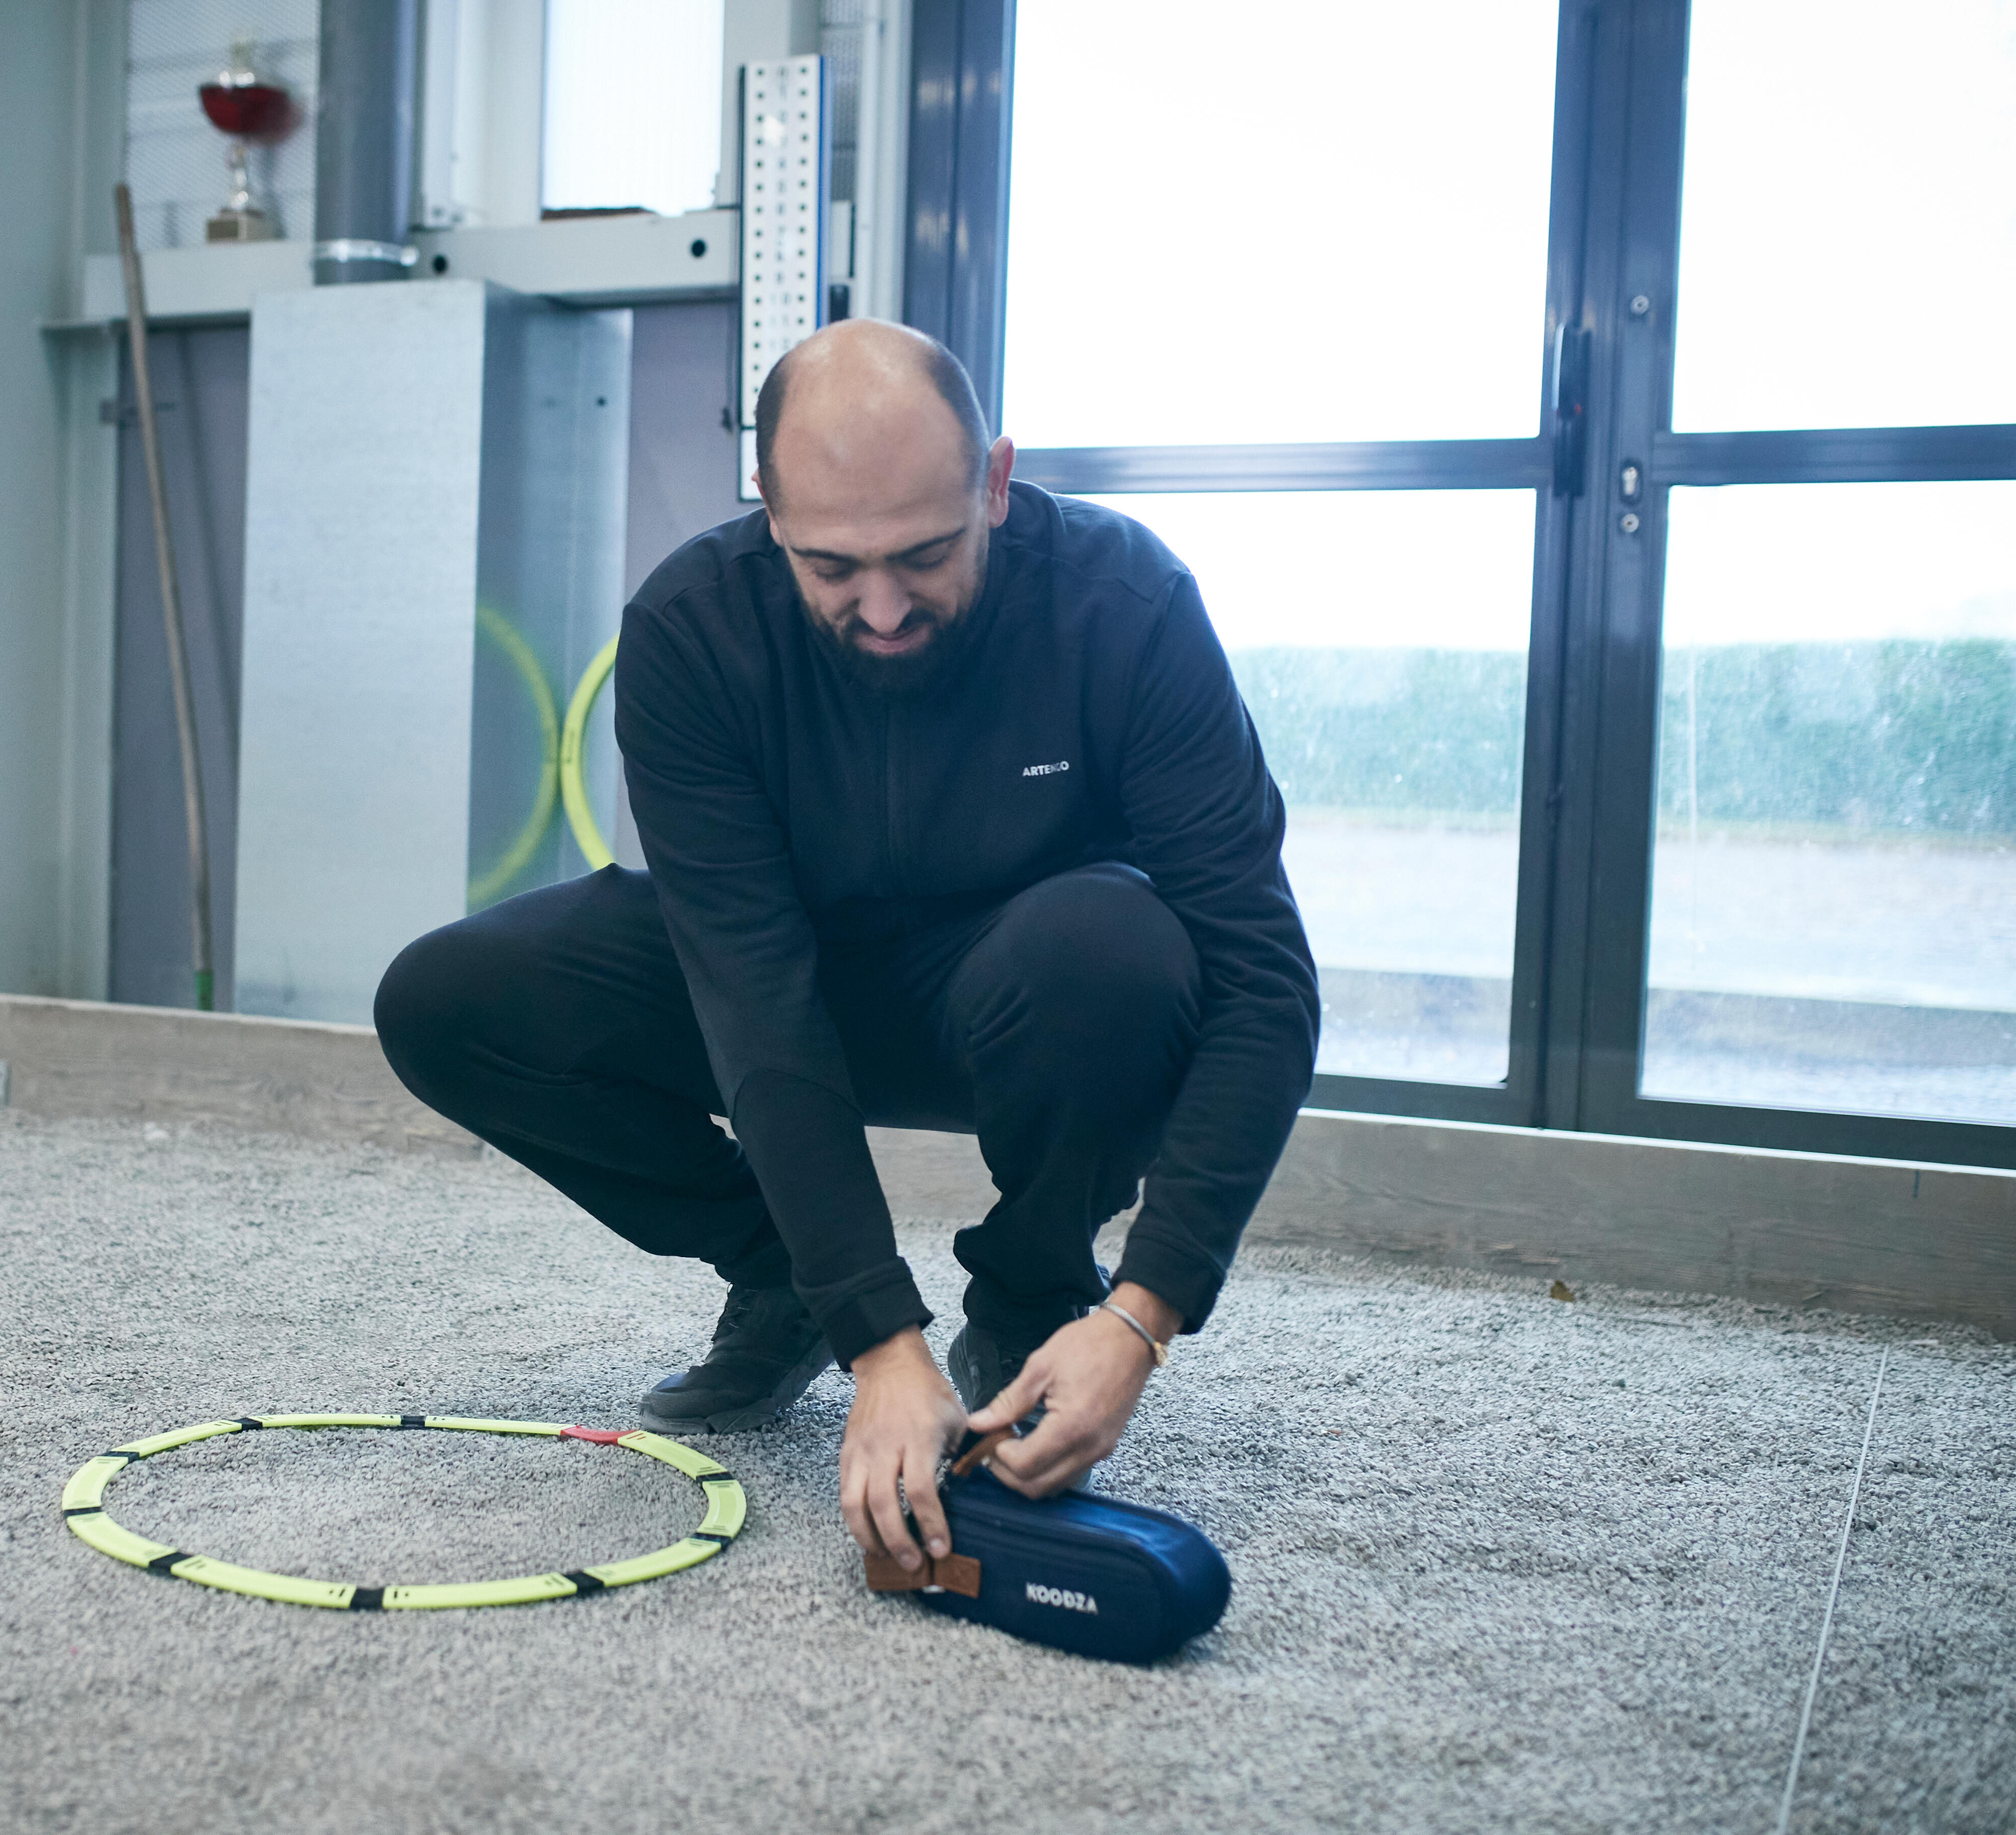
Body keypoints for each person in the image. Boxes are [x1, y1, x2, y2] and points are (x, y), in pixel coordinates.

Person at [375, 320, 1318, 1575]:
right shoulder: (690, 630)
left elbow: (1264, 977)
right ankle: (782, 1281)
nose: (880, 608)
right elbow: (753, 997)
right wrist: (874, 1332)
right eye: (831, 567)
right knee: (446, 998)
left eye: (925, 555)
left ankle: (1037, 1291)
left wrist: (1142, 1314)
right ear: (768, 508)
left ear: (994, 480)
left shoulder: (1125, 603)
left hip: (1021, 990)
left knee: (1117, 944)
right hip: (778, 978)